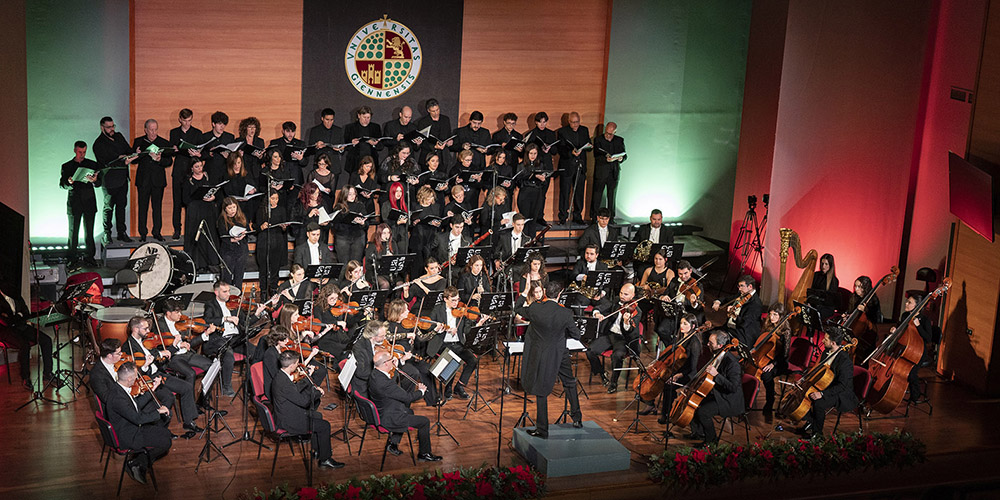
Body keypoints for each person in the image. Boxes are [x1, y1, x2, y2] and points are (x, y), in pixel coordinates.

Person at [516, 280, 583, 437]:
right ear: (560, 294)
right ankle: (577, 418)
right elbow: (576, 335)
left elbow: (517, 309)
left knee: (541, 390)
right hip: (560, 354)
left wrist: (525, 292)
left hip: (542, 355)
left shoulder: (535, 308)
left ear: (545, 292)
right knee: (569, 382)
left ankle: (542, 429)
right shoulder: (565, 313)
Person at [122, 316, 201, 437]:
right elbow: (134, 373)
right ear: (135, 329)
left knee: (186, 387)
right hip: (147, 379)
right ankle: (162, 430)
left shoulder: (145, 341)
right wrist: (145, 366)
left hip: (159, 374)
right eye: (145, 328)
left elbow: (159, 355)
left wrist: (174, 346)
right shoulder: (128, 347)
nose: (148, 331)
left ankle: (189, 421)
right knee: (168, 397)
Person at [271, 350, 345, 469]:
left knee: (318, 416)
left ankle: (317, 451)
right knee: (325, 426)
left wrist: (308, 376)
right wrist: (316, 393)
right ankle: (325, 459)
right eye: (297, 363)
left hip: (288, 413)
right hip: (289, 421)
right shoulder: (284, 383)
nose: (298, 366)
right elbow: (304, 402)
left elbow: (295, 389)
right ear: (291, 365)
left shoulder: (280, 376)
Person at [105, 361, 173, 484]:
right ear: (130, 378)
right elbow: (138, 418)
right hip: (127, 435)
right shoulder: (118, 398)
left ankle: (140, 462)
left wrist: (152, 389)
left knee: (166, 433)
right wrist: (158, 411)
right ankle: (136, 463)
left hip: (130, 427)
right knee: (166, 442)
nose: (137, 378)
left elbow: (136, 405)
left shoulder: (120, 388)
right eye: (136, 375)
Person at [369, 350, 442, 461]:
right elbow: (408, 397)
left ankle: (393, 443)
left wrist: (397, 367)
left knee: (409, 411)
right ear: (386, 364)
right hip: (389, 418)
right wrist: (421, 391)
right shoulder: (385, 383)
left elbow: (391, 385)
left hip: (383, 410)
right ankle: (424, 454)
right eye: (391, 359)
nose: (393, 360)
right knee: (424, 422)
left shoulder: (375, 374)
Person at [422, 287, 484, 400]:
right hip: (441, 344)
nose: (456, 303)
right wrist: (443, 329)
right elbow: (428, 326)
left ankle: (459, 386)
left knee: (473, 360)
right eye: (453, 300)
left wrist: (478, 324)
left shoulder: (461, 310)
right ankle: (448, 387)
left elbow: (466, 331)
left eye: (457, 299)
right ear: (445, 299)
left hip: (457, 344)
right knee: (453, 359)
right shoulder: (437, 309)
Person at [795, 327, 858, 437]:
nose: (823, 341)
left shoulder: (844, 361)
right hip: (825, 385)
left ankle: (817, 434)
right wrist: (803, 380)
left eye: (826, 339)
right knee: (801, 394)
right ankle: (811, 423)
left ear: (833, 343)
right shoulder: (826, 352)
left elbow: (842, 385)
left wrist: (822, 394)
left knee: (818, 402)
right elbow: (816, 370)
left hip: (840, 392)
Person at [687, 330, 743, 447]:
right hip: (718, 393)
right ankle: (699, 433)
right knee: (693, 403)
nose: (708, 345)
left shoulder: (732, 363)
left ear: (720, 346)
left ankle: (712, 442)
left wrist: (716, 375)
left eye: (711, 343)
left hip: (729, 400)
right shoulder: (717, 355)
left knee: (703, 412)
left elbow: (732, 387)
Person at [588, 283, 643, 393]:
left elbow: (630, 331)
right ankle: (602, 373)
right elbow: (602, 306)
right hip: (610, 334)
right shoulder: (616, 300)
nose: (622, 296)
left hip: (623, 339)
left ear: (633, 296)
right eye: (621, 293)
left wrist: (627, 322)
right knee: (590, 351)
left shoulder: (637, 311)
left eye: (626, 294)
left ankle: (614, 382)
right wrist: (597, 313)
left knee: (617, 356)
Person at [0, 286, 56, 390]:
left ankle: (48, 373)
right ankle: (26, 378)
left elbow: (26, 313)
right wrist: (18, 315)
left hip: (22, 326)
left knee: (46, 340)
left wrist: (16, 316)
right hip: (7, 331)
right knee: (24, 345)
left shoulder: (16, 296)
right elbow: (6, 321)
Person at [653, 314, 703, 427]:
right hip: (677, 370)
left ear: (693, 325)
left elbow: (692, 367)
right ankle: (658, 409)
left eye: (685, 324)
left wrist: (678, 375)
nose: (682, 326)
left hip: (688, 374)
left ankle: (668, 415)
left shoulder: (694, 343)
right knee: (663, 381)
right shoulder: (680, 338)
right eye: (681, 323)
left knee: (669, 386)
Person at [92, 116, 134, 243]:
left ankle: (122, 232)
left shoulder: (119, 136)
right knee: (109, 207)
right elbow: (105, 162)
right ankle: (107, 233)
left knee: (122, 206)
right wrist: (120, 158)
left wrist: (129, 156)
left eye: (113, 126)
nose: (112, 129)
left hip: (122, 177)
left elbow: (129, 151)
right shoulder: (98, 143)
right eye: (109, 127)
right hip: (109, 180)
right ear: (102, 127)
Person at [156, 298, 213, 389]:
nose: (180, 315)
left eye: (180, 312)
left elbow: (190, 343)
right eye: (177, 312)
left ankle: (204, 399)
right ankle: (190, 402)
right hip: (173, 358)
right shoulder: (159, 326)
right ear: (168, 313)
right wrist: (178, 345)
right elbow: (159, 347)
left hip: (187, 354)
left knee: (211, 367)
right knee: (191, 374)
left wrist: (206, 334)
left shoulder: (182, 323)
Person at [60, 141, 101, 267]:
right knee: (73, 232)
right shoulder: (67, 166)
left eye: (84, 152)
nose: (82, 155)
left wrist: (95, 180)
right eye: (79, 152)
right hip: (75, 203)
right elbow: (62, 185)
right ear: (74, 150)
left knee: (89, 231)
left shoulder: (92, 164)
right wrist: (69, 182)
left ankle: (90, 257)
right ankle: (72, 258)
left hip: (89, 202)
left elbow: (99, 183)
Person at [131, 118, 172, 242]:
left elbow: (169, 161)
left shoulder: (163, 142)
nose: (153, 133)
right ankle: (142, 233)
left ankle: (157, 232)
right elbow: (133, 161)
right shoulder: (139, 141)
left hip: (157, 180)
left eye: (155, 130)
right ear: (145, 130)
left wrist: (159, 160)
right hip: (143, 180)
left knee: (157, 207)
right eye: (151, 130)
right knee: (142, 207)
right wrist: (136, 154)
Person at [201, 280, 240, 397]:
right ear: (216, 292)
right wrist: (225, 318)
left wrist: (257, 314)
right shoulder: (210, 305)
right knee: (228, 356)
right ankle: (226, 387)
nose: (228, 294)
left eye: (229, 291)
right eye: (225, 292)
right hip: (219, 339)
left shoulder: (233, 304)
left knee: (255, 351)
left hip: (235, 337)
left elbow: (242, 322)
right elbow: (207, 320)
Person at [169, 108, 202, 239]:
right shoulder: (174, 132)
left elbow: (200, 151)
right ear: (180, 120)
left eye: (190, 121)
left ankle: (192, 230)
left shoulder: (197, 133)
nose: (187, 124)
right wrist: (175, 150)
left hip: (192, 172)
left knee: (192, 203)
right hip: (178, 171)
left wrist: (197, 153)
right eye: (185, 121)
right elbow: (172, 150)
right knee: (177, 202)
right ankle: (177, 229)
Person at [182, 158, 219, 271]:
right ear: (191, 168)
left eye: (201, 166)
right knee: (196, 235)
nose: (200, 169)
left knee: (209, 233)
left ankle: (211, 262)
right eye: (197, 167)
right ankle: (197, 263)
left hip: (208, 209)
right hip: (195, 211)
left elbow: (215, 190)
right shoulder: (188, 181)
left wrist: (213, 197)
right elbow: (185, 199)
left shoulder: (208, 177)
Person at [758, 303, 793, 419]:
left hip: (780, 362)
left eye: (775, 315)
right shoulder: (768, 325)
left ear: (781, 316)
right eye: (770, 314)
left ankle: (770, 400)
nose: (771, 317)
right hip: (767, 357)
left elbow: (785, 354)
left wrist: (773, 364)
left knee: (766, 374)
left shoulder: (786, 331)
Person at [900, 291, 933, 403]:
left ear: (917, 306)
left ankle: (915, 394)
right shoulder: (905, 316)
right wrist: (895, 329)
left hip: (918, 351)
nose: (906, 304)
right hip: (905, 347)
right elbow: (900, 329)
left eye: (909, 302)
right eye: (907, 301)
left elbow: (928, 338)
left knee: (911, 372)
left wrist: (918, 326)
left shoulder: (924, 320)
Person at [557, 112, 590, 225]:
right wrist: (571, 153)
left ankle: (577, 216)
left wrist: (588, 147)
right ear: (568, 122)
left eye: (577, 122)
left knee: (579, 192)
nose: (576, 124)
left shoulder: (584, 130)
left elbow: (588, 145)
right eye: (573, 122)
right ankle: (563, 217)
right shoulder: (562, 132)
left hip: (580, 165)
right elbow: (560, 149)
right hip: (567, 166)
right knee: (564, 193)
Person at [255, 190, 289, 299]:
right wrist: (261, 226)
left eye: (277, 199)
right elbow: (256, 227)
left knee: (275, 268)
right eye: (273, 198)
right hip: (264, 241)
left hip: (277, 241)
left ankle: (273, 288)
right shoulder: (262, 210)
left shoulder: (281, 210)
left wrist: (284, 227)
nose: (275, 201)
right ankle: (263, 290)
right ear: (268, 199)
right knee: (263, 268)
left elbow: (284, 228)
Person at [712, 275, 762, 348]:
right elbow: (727, 299)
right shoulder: (742, 294)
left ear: (750, 286)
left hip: (742, 334)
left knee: (715, 340)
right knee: (709, 334)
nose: (739, 289)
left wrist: (734, 315)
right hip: (730, 328)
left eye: (742, 286)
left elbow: (744, 323)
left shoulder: (756, 304)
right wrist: (718, 301)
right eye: (739, 286)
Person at [591, 122, 627, 220]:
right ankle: (595, 218)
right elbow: (596, 155)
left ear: (614, 132)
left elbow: (624, 155)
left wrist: (620, 159)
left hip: (613, 172)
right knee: (597, 195)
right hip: (601, 172)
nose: (607, 135)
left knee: (612, 196)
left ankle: (611, 218)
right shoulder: (598, 140)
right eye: (606, 132)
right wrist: (605, 159)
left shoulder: (619, 140)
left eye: (610, 134)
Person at [306, 108, 347, 189]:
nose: (329, 122)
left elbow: (343, 148)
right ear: (322, 118)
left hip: (334, 166)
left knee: (332, 193)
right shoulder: (315, 130)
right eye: (327, 120)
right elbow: (309, 150)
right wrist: (316, 146)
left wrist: (341, 149)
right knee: (316, 192)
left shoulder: (339, 130)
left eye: (331, 120)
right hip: (320, 167)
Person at [217, 196, 250, 289]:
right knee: (227, 276)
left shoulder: (241, 217)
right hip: (228, 250)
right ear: (225, 209)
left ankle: (237, 297)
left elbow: (248, 229)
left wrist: (244, 233)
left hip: (241, 250)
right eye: (230, 208)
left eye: (234, 207)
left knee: (239, 276)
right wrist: (233, 239)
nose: (232, 210)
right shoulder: (222, 220)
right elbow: (222, 236)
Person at [332, 185, 369, 264]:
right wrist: (347, 220)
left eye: (354, 193)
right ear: (344, 195)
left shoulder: (360, 205)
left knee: (356, 264)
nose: (352, 196)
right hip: (343, 238)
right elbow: (335, 226)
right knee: (344, 264)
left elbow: (367, 225)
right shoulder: (339, 207)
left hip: (358, 237)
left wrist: (362, 223)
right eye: (349, 194)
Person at [516, 143, 547, 237]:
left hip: (537, 194)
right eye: (531, 153)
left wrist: (543, 179)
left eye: (535, 153)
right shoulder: (521, 165)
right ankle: (524, 242)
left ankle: (532, 242)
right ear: (527, 154)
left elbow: (544, 183)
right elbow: (518, 182)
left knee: (534, 219)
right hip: (525, 194)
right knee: (525, 219)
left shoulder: (540, 165)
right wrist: (531, 177)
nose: (533, 156)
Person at [344, 106, 383, 175]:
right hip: (355, 162)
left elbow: (381, 146)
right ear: (359, 116)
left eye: (368, 118)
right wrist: (352, 143)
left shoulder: (375, 127)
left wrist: (375, 144)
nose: (366, 120)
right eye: (364, 117)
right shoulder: (350, 127)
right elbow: (345, 146)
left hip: (371, 162)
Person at [268, 121, 310, 185]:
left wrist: (301, 159)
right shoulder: (275, 143)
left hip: (296, 178)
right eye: (288, 131)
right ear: (283, 131)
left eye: (292, 131)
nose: (290, 134)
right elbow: (268, 159)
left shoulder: (300, 144)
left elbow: (305, 163)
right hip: (279, 177)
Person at [415, 98, 453, 167]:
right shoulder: (423, 122)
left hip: (443, 157)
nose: (436, 113)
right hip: (428, 157)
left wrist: (449, 142)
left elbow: (448, 135)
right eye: (433, 111)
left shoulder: (445, 119)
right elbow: (422, 141)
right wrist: (434, 146)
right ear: (428, 110)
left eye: (437, 110)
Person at [200, 111, 236, 183]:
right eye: (219, 124)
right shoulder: (205, 137)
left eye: (224, 124)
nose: (222, 127)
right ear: (213, 124)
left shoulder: (229, 137)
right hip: (211, 172)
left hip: (226, 172)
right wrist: (209, 154)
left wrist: (229, 157)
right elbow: (200, 155)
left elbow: (234, 155)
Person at [381, 181, 410, 254]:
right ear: (392, 191)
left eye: (400, 191)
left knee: (403, 256)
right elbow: (385, 221)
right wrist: (396, 223)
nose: (399, 193)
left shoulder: (404, 205)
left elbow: (409, 222)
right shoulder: (386, 205)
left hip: (402, 235)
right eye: (396, 191)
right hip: (392, 234)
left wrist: (408, 220)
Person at [809, 253, 841, 319]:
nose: (823, 266)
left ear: (830, 265)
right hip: (815, 304)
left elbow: (829, 301)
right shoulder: (816, 275)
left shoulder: (834, 281)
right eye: (822, 263)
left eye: (826, 264)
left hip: (826, 308)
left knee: (814, 314)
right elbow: (811, 290)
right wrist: (810, 303)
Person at [235, 116, 266, 184]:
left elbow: (262, 161)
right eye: (249, 127)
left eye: (254, 127)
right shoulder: (239, 141)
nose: (252, 129)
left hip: (256, 173)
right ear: (245, 128)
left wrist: (261, 157)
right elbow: (234, 158)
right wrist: (239, 155)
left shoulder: (260, 141)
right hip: (244, 172)